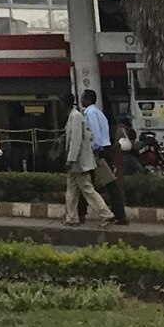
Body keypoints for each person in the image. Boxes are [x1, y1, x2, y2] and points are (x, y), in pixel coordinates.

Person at [62, 94, 114, 227]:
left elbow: (76, 140)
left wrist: (71, 159)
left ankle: (106, 214)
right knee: (72, 188)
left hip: (79, 162)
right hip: (76, 162)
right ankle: (71, 217)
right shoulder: (74, 116)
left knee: (86, 189)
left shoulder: (76, 117)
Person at [81, 88, 130, 227]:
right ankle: (118, 215)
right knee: (88, 183)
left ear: (88, 99)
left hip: (97, 152)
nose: (81, 100)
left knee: (86, 182)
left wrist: (94, 150)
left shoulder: (90, 113)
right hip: (105, 149)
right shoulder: (99, 113)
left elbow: (95, 134)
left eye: (83, 98)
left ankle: (114, 215)